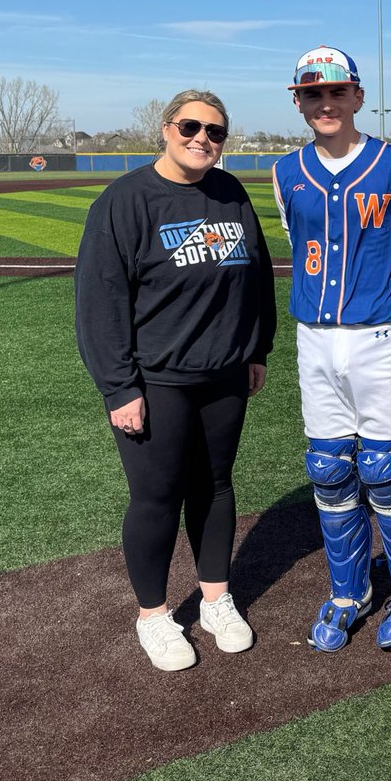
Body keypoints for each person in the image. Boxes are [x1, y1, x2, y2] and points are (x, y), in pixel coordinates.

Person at [75, 89, 276, 672]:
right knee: (157, 496)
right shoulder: (125, 201)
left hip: (224, 375)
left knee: (215, 485)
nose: (202, 140)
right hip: (156, 380)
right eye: (191, 127)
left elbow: (256, 273)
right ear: (166, 128)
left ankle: (215, 599)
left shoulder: (230, 191)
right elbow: (100, 301)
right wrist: (119, 387)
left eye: (215, 132)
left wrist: (256, 347)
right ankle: (155, 616)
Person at [272, 46, 391, 656]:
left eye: (338, 92)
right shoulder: (286, 172)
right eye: (313, 94)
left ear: (358, 96)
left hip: (378, 337)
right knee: (330, 468)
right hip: (314, 338)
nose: (326, 103)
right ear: (299, 102)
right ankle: (348, 591)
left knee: (384, 470)